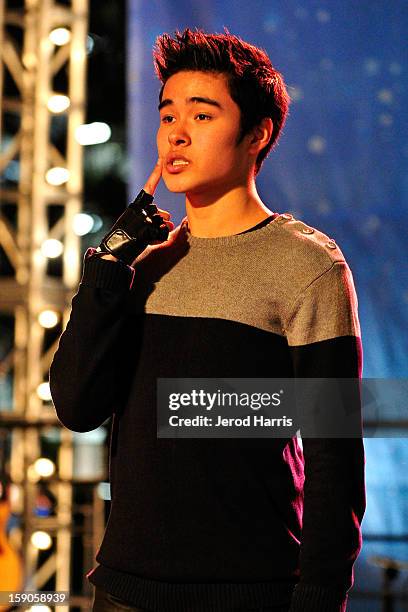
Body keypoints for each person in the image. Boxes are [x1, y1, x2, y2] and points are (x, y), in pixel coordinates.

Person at [49, 28, 366, 612]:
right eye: (168, 114)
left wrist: (320, 595)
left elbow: (334, 457)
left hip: (250, 591)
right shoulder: (139, 269)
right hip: (122, 589)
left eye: (202, 114)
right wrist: (109, 269)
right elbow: (75, 405)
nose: (176, 132)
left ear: (256, 134)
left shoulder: (308, 266)